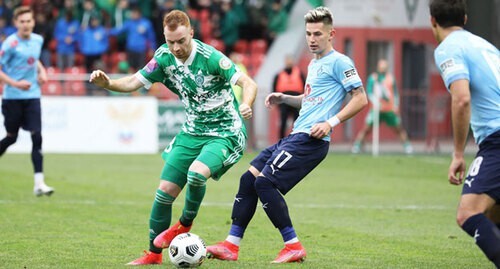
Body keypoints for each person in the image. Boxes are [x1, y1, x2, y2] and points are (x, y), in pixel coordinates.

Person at [89, 10, 258, 265]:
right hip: (192, 131)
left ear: (191, 32)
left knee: (196, 173)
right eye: (171, 41)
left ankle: (184, 225)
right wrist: (108, 84)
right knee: (164, 191)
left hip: (225, 132)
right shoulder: (163, 57)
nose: (176, 47)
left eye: (181, 41)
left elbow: (249, 83)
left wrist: (246, 103)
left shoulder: (210, 57)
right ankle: (153, 254)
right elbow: (134, 81)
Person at [206, 6, 367, 263]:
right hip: (295, 135)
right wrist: (285, 98)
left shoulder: (340, 62)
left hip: (311, 141)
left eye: (317, 33)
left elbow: (360, 98)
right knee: (249, 180)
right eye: (308, 34)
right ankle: (231, 245)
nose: (312, 39)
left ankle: (292, 245)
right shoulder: (314, 64)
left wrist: (330, 122)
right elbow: (311, 100)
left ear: (331, 34)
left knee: (265, 183)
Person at [430, 0, 500, 266]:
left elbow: (461, 99)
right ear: (466, 18)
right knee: (493, 214)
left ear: (433, 21)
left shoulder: (448, 48)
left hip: (496, 138)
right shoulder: (486, 46)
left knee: (468, 213)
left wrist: (458, 153)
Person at [0, 6, 53, 197]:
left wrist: (43, 71)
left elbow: (35, 59)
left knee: (36, 136)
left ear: (33, 22)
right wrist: (15, 83)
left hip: (32, 96)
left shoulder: (38, 40)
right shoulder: (10, 44)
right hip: (12, 98)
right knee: (11, 137)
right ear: (16, 23)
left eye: (28, 21)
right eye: (22, 21)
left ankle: (39, 183)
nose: (25, 24)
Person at [351, 58, 413, 154]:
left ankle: (407, 146)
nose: (383, 68)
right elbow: (369, 92)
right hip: (376, 110)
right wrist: (375, 102)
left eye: (385, 66)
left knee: (398, 128)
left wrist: (396, 105)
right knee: (366, 128)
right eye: (381, 66)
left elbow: (395, 93)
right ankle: (357, 145)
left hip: (389, 109)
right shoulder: (373, 78)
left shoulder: (391, 78)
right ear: (378, 67)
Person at [272, 54, 305, 139]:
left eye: (290, 60)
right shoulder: (279, 75)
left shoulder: (299, 73)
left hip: (296, 101)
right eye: (287, 60)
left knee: (297, 122)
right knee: (283, 122)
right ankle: (281, 140)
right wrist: (275, 102)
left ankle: (297, 139)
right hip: (283, 102)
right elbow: (274, 88)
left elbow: (306, 87)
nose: (289, 62)